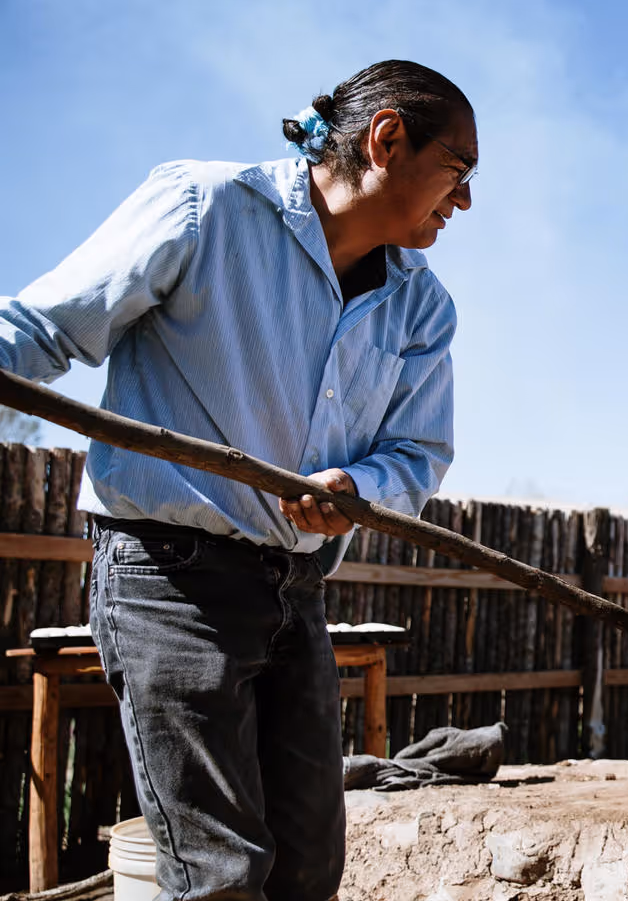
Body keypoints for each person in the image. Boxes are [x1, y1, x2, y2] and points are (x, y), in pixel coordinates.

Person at [0, 60, 476, 900]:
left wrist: (358, 488)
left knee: (308, 868)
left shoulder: (422, 307)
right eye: (458, 169)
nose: (465, 201)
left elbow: (415, 452)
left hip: (295, 592)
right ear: (387, 138)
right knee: (219, 876)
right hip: (169, 583)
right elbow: (41, 327)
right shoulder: (206, 209)